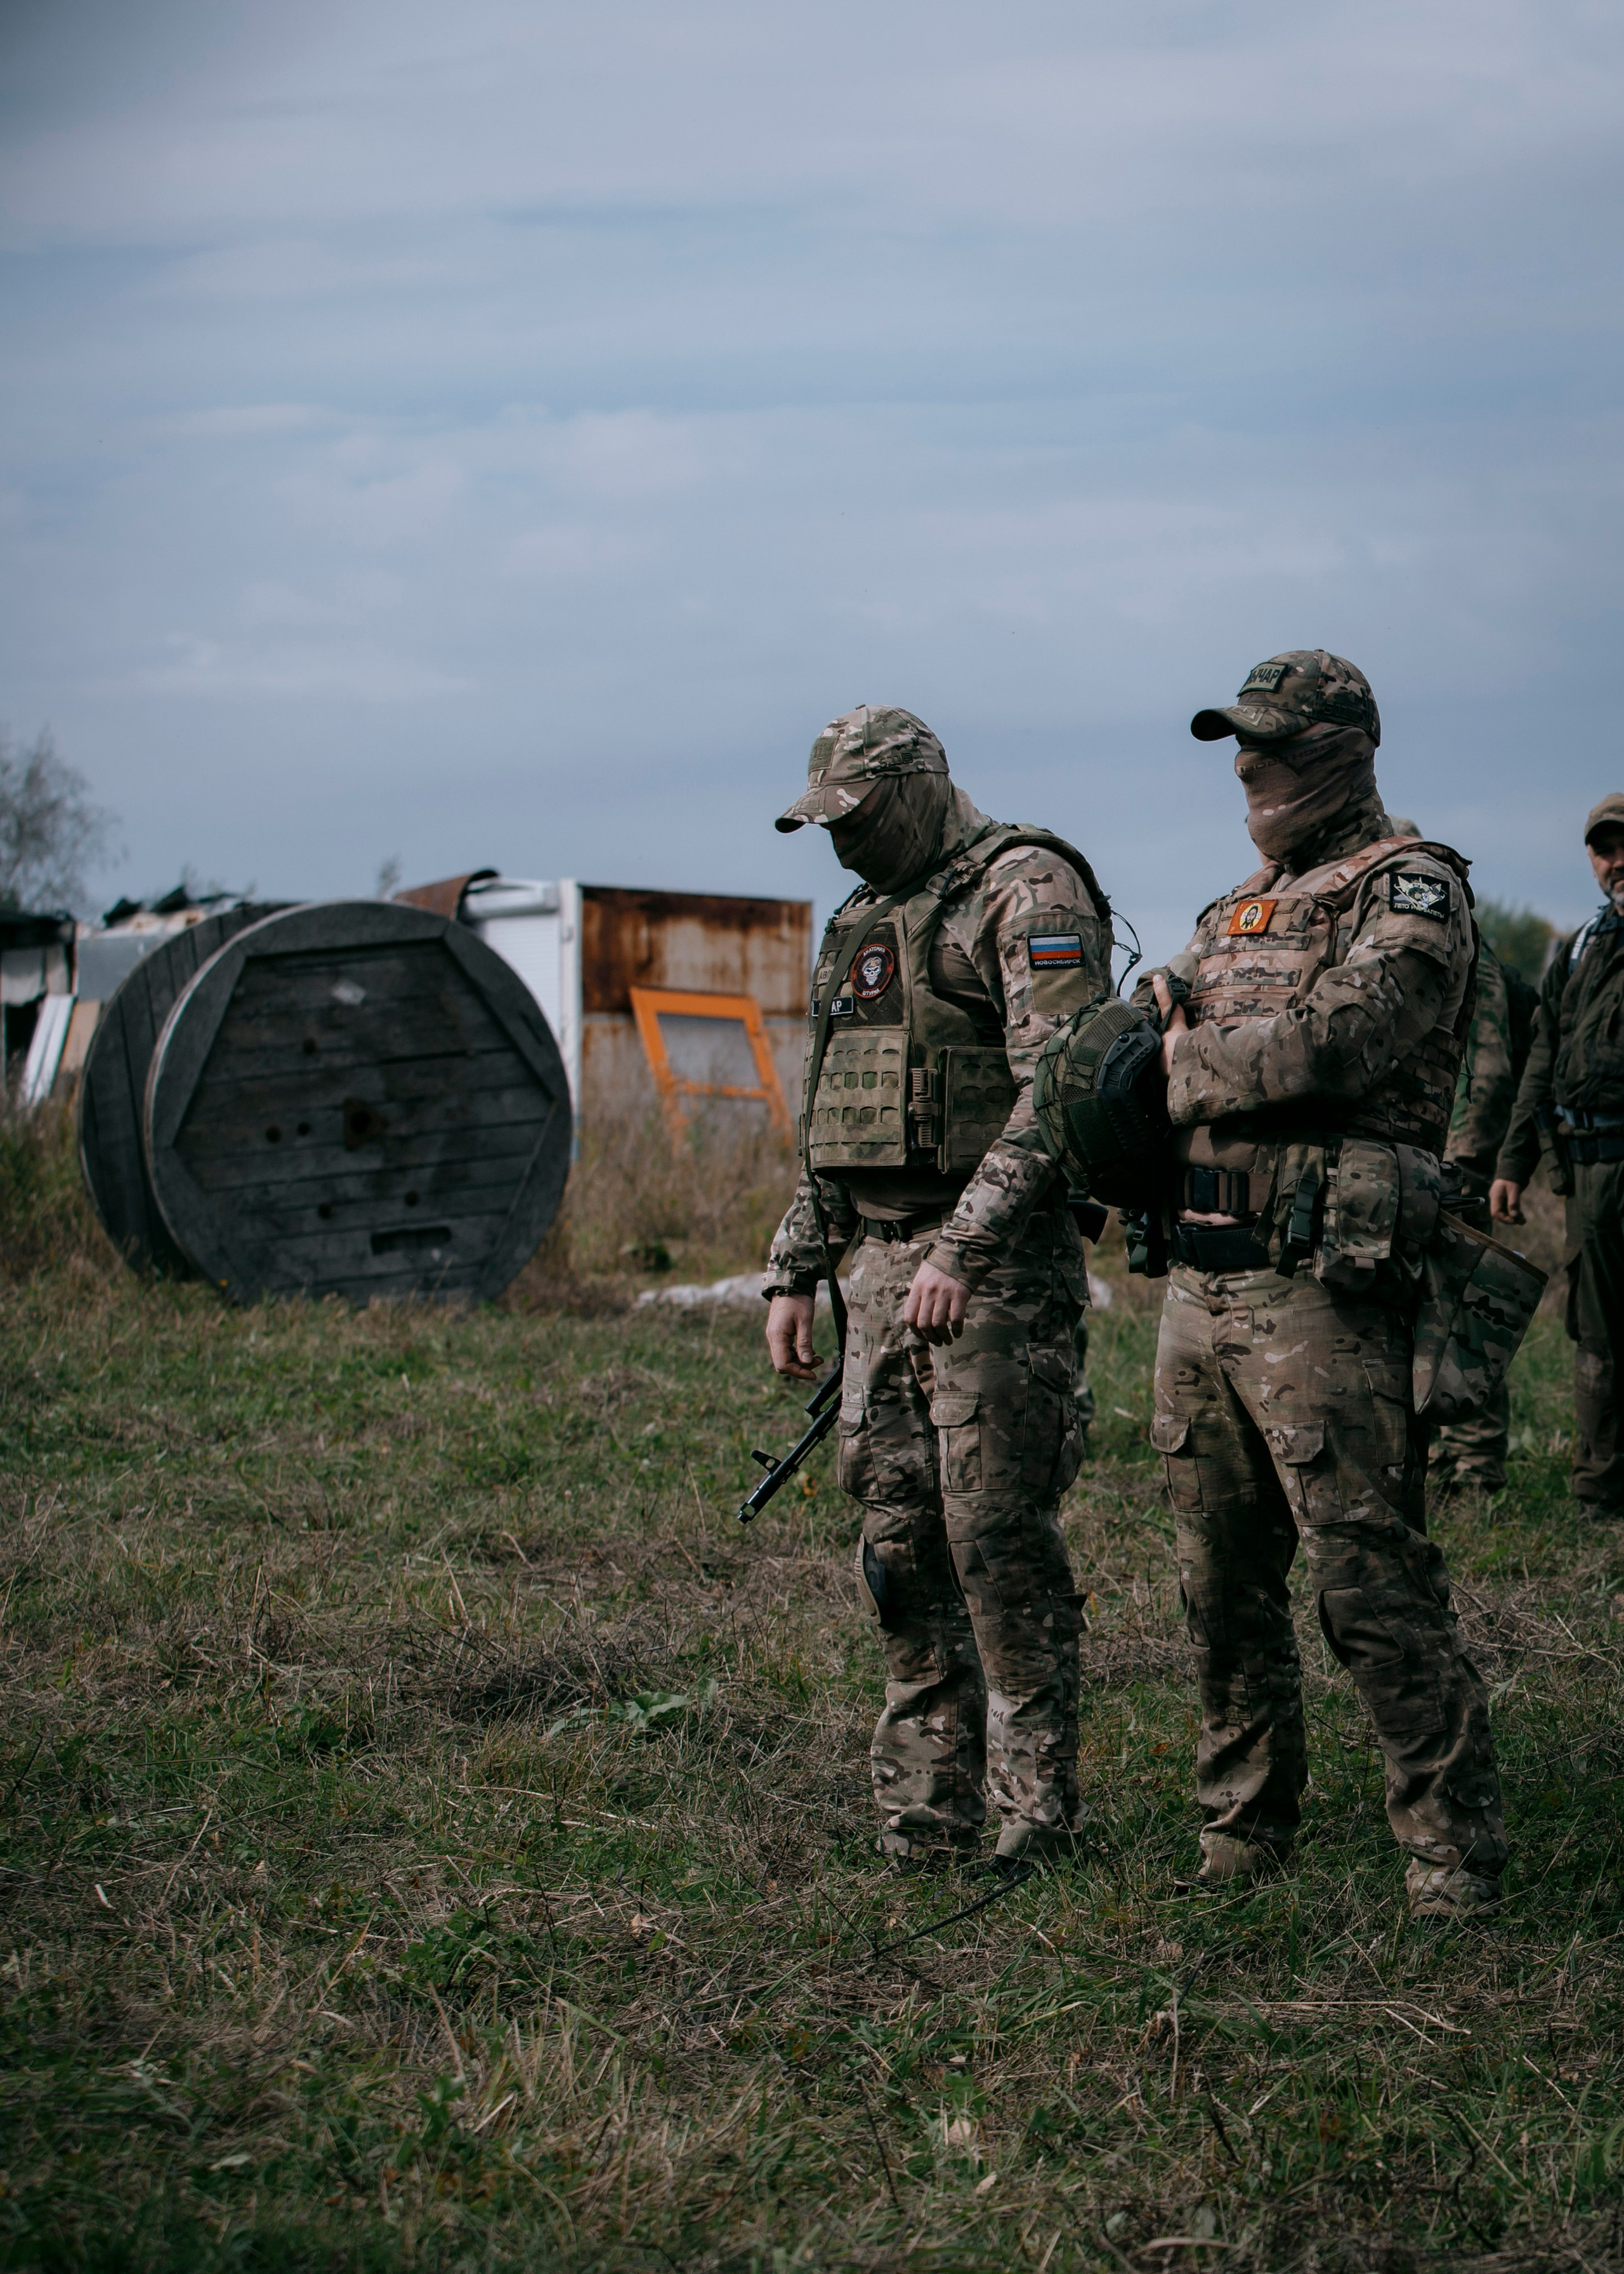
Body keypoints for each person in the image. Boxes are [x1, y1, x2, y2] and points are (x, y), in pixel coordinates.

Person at [1140, 650, 1506, 1922]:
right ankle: (1241, 1835)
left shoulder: (1409, 885)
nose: (1247, 767)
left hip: (1321, 1291)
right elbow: (1169, 1036)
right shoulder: (1231, 906)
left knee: (1363, 1579)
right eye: (1239, 746)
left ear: (1345, 751)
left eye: (1274, 745)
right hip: (1199, 1283)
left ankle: (1447, 1850)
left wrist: (1185, 1063)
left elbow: (1341, 1037)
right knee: (1217, 1588)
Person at [762, 704, 1110, 1874]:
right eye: (826, 827)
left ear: (918, 786)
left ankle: (1036, 1815)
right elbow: (832, 1115)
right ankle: (928, 1810)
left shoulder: (1027, 889)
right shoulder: (863, 918)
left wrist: (961, 1249)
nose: (841, 846)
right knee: (901, 1542)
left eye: (855, 820)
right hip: (878, 1268)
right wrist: (799, 1268)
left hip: (993, 1272)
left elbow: (1058, 1093)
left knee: (996, 1541)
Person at [1491, 794, 1624, 1517]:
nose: (1617, 860)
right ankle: (1599, 1493)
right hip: (1591, 1174)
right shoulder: (1578, 948)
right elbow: (1538, 1059)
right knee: (1597, 1334)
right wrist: (1512, 1163)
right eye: (1604, 849)